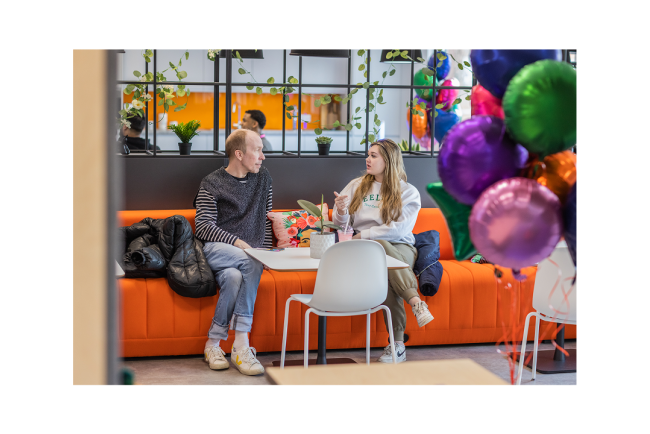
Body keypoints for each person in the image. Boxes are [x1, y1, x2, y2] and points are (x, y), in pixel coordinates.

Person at [331, 139, 434, 364]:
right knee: (379, 253)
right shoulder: (357, 185)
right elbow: (341, 224)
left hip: (400, 246)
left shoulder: (408, 192)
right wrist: (339, 211)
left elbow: (399, 229)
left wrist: (364, 236)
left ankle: (396, 344)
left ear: (388, 160)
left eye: (374, 155)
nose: (368, 159)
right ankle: (415, 303)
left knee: (382, 257)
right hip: (362, 248)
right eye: (368, 154)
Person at [193, 129, 273, 376]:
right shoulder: (212, 182)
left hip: (247, 258)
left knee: (234, 277)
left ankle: (213, 344)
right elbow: (204, 226)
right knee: (251, 260)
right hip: (217, 249)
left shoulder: (263, 179)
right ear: (239, 154)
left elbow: (266, 219)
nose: (262, 156)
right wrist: (238, 242)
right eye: (257, 150)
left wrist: (267, 252)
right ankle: (241, 344)